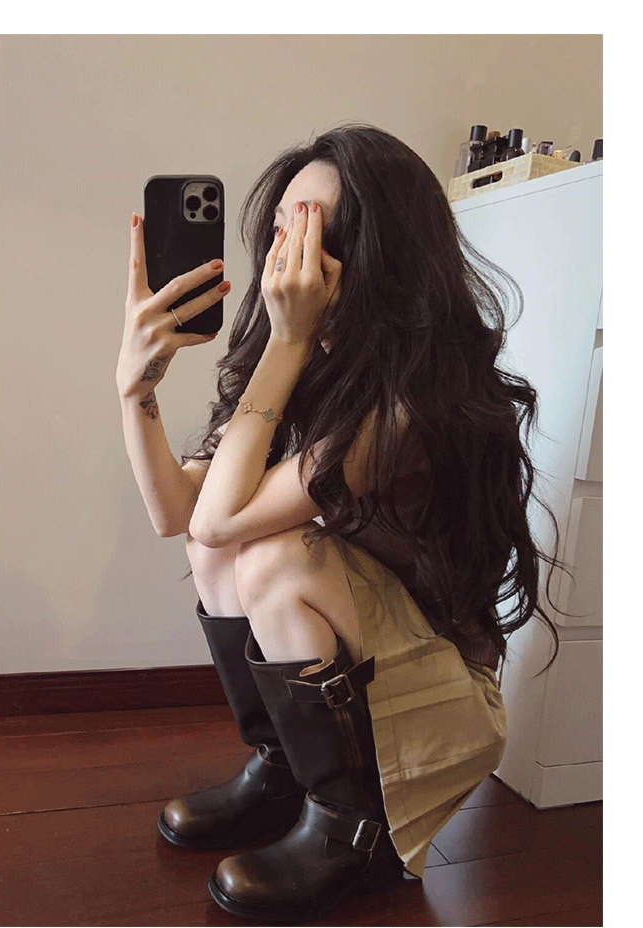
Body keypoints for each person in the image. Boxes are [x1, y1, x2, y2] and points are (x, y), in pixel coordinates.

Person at [116, 122, 574, 924]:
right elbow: (180, 517)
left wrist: (285, 344)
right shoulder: (313, 360)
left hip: (438, 696)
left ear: (377, 252)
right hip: (372, 653)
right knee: (226, 551)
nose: (286, 251)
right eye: (282, 225)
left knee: (269, 556)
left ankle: (352, 828)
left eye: (312, 228)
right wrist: (136, 388)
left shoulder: (411, 400)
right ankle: (282, 773)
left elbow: (223, 522)